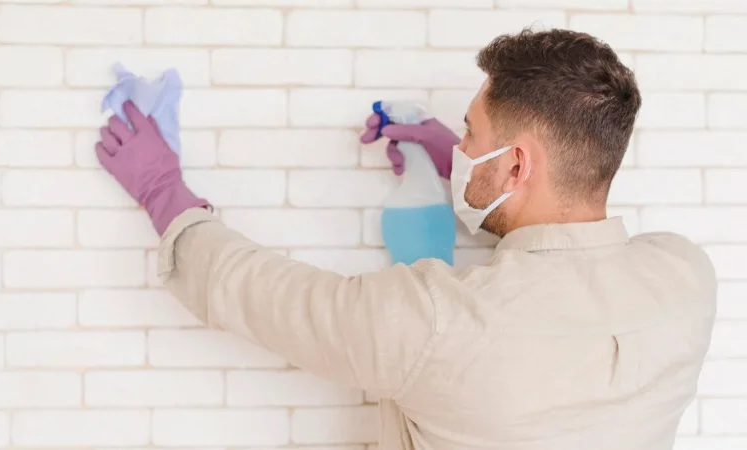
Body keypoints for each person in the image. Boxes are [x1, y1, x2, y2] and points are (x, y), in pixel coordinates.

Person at [95, 28, 716, 450]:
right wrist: (462, 173)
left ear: (516, 165)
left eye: (470, 136)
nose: (463, 148)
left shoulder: (434, 323)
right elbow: (561, 260)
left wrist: (162, 190)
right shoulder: (687, 279)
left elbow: (261, 294)